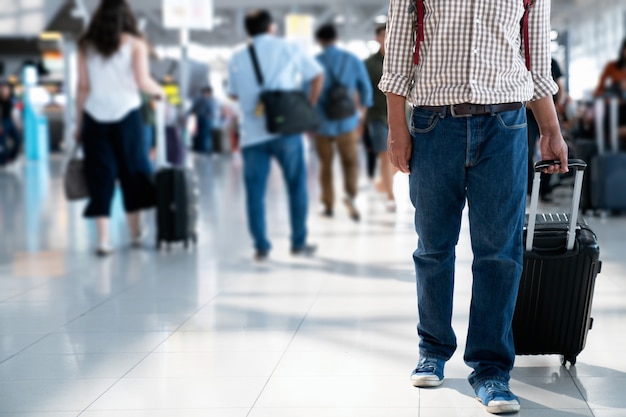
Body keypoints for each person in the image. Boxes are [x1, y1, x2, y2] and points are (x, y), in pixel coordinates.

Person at [380, 1, 568, 414]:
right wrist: (397, 127)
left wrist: (552, 131)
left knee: (499, 254)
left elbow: (537, 66)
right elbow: (396, 54)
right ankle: (432, 348)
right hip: (433, 125)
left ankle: (491, 369)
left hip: (505, 126)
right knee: (433, 247)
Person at [227, 9, 323, 261]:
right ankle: (298, 243)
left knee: (255, 192)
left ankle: (261, 246)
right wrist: (307, 106)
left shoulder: (237, 57)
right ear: (271, 27)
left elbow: (234, 94)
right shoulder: (288, 47)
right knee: (296, 186)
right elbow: (316, 75)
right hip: (287, 130)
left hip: (252, 134)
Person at [75, 0, 164, 256]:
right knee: (132, 172)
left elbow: (83, 87)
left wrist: (79, 123)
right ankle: (135, 233)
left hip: (94, 114)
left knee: (99, 176)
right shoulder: (136, 44)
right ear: (127, 16)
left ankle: (104, 240)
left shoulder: (85, 45)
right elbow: (143, 81)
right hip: (127, 115)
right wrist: (161, 94)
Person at [313, 23, 373, 221]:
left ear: (320, 41)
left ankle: (328, 204)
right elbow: (366, 89)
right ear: (336, 39)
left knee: (325, 164)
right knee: (350, 163)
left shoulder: (314, 62)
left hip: (321, 123)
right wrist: (360, 114)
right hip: (347, 122)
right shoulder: (351, 60)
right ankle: (350, 197)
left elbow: (307, 94)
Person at [364, 23, 397, 212]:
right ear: (377, 38)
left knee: (404, 157)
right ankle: (390, 197)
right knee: (385, 156)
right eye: (383, 36)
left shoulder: (400, 60)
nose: (386, 39)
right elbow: (361, 91)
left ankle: (384, 182)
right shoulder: (369, 64)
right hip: (377, 116)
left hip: (402, 115)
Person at [527, 58, 565, 202]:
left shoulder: (553, 62)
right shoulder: (524, 59)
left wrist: (555, 108)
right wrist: (537, 107)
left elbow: (561, 87)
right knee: (528, 150)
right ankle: (530, 188)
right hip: (527, 113)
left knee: (551, 151)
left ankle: (546, 189)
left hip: (551, 111)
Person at [0, 81, 22, 165]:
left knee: (18, 139)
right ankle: (3, 160)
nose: (6, 91)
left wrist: (17, 124)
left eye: (7, 89)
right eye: (4, 89)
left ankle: (10, 157)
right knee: (3, 144)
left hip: (10, 121)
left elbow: (12, 112)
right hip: (3, 122)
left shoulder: (10, 98)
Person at [190, 86, 217, 154]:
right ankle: (199, 150)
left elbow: (213, 112)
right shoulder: (199, 99)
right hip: (199, 120)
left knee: (205, 137)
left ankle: (204, 151)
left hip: (206, 121)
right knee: (199, 137)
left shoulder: (211, 100)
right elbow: (193, 109)